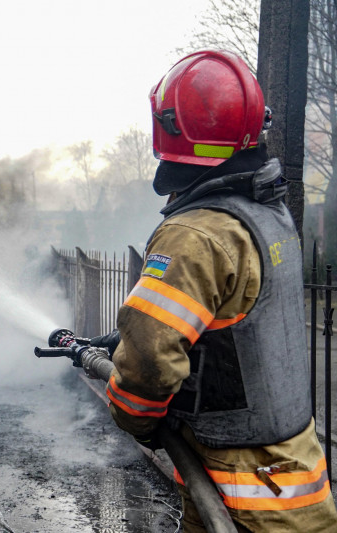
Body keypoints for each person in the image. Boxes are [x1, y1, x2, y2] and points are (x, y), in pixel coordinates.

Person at [103, 50, 337, 531]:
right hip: (294, 476)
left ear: (168, 127)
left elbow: (149, 360)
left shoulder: (196, 233)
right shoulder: (266, 214)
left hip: (241, 491)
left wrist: (137, 419)